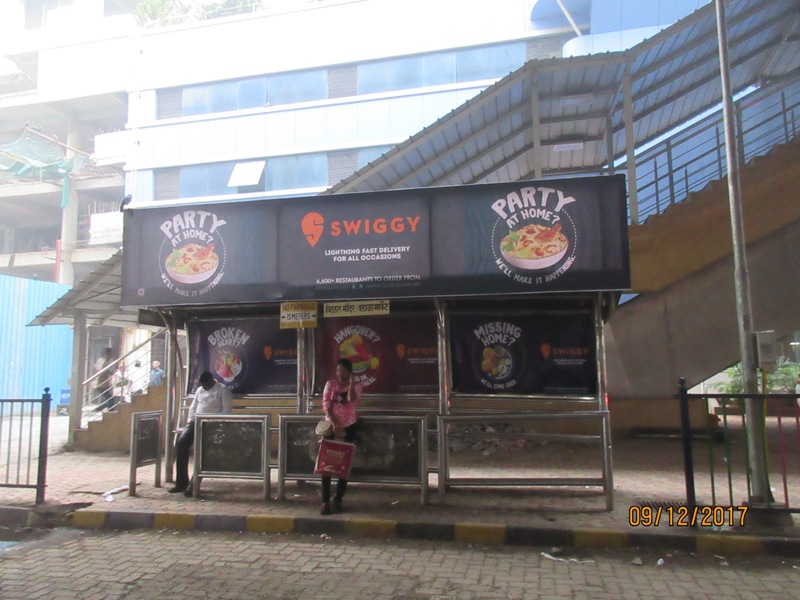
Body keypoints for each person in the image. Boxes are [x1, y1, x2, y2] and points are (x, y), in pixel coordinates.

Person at [169, 370, 233, 496]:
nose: (204, 387)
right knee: (181, 443)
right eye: (202, 385)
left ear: (211, 381)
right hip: (195, 422)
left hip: (212, 426)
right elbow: (193, 407)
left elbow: (226, 411)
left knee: (204, 450)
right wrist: (190, 420)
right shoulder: (199, 390)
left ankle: (194, 485)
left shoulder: (222, 390)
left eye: (206, 384)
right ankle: (181, 482)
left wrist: (213, 422)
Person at [319, 358, 361, 515]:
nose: (339, 373)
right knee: (327, 464)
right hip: (331, 426)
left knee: (345, 464)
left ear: (349, 372)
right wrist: (335, 423)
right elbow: (326, 405)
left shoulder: (356, 386)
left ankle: (338, 499)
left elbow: (351, 400)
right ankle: (325, 501)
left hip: (349, 426)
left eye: (342, 370)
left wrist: (351, 383)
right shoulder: (330, 384)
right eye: (337, 370)